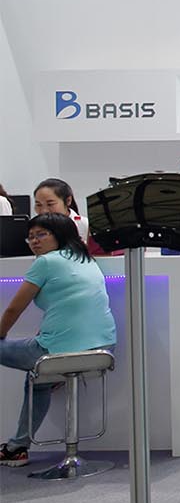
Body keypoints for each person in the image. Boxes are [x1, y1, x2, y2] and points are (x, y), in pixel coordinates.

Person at [0, 213, 117, 467]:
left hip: (58, 353)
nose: (34, 241)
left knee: (38, 368)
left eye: (41, 234)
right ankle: (16, 447)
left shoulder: (46, 262)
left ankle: (18, 447)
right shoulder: (86, 258)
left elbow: (13, 310)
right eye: (30, 237)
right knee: (38, 380)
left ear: (60, 235)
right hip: (103, 349)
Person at [33, 178, 90, 247]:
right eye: (38, 205)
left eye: (50, 204)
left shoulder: (85, 225)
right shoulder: (34, 227)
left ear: (68, 201)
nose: (44, 211)